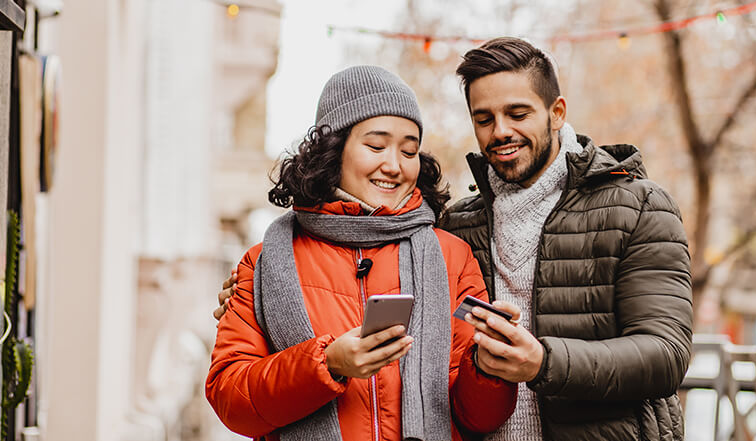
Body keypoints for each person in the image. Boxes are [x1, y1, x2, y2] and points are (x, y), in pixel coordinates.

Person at [216, 38, 693, 440]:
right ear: (333, 149)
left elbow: (667, 355)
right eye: (484, 118)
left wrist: (536, 363)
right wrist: (301, 336)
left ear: (557, 112)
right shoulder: (458, 225)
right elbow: (232, 391)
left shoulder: (637, 207)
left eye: (518, 112)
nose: (501, 131)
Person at [206, 65, 517, 441]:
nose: (394, 165)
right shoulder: (264, 262)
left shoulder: (451, 257)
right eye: (376, 145)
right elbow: (231, 400)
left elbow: (478, 419)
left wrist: (487, 367)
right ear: (333, 150)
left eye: (409, 150)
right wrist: (326, 364)